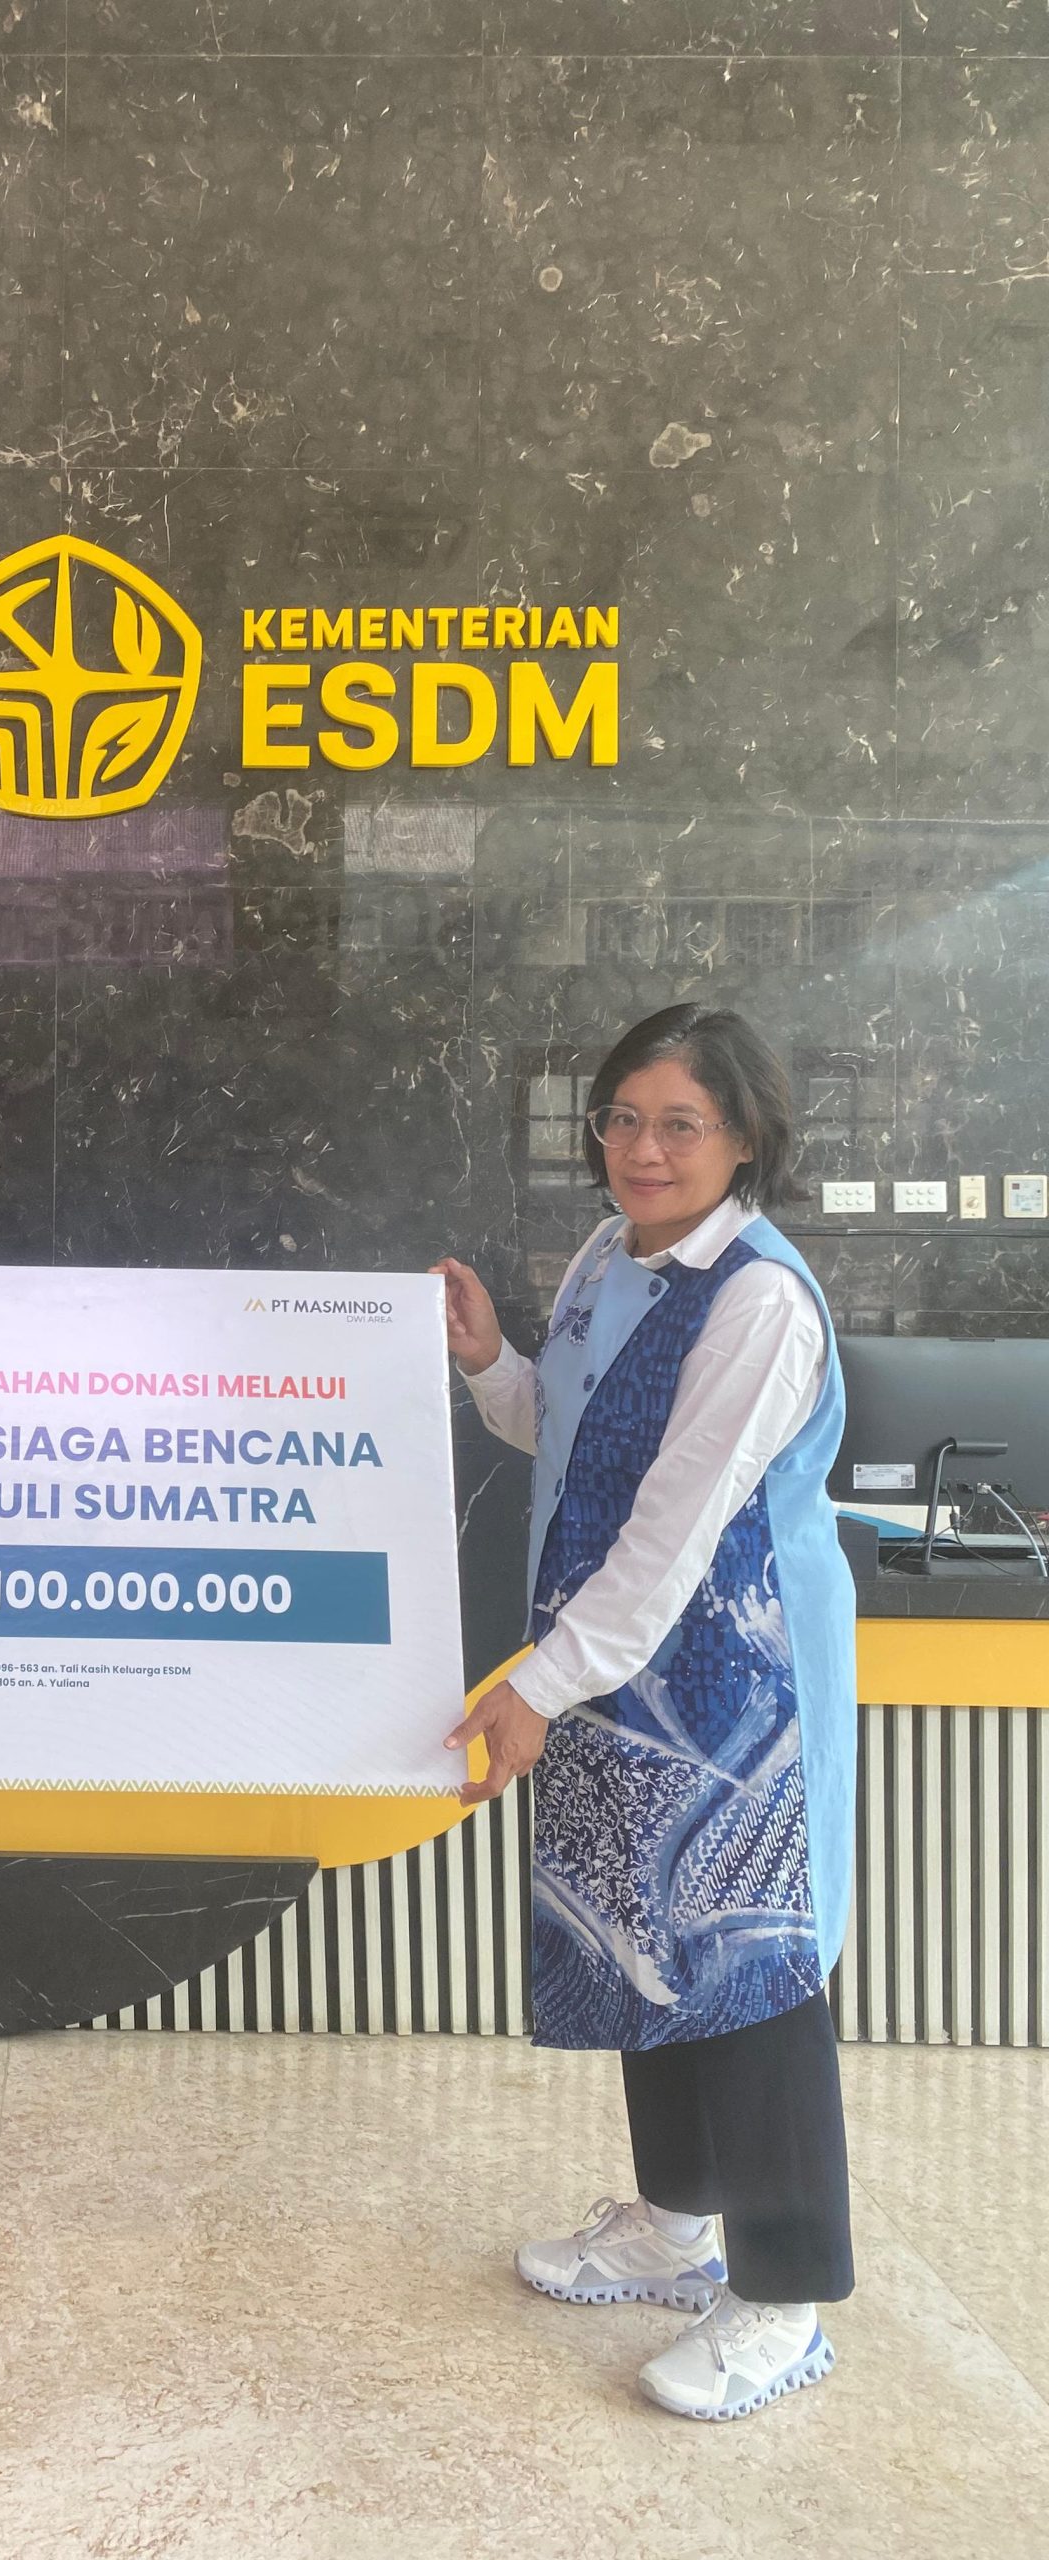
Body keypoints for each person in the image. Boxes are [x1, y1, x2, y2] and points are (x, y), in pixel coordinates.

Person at [433, 1004, 856, 2424]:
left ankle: (784, 2299)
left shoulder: (759, 1301)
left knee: (749, 1968)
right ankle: (676, 2226)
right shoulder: (609, 1258)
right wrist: (492, 1360)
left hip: (737, 1690)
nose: (644, 1148)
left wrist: (537, 1685)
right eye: (623, 1118)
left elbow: (675, 1527)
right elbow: (566, 1436)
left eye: (681, 1124)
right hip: (618, 1666)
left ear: (745, 1140)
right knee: (643, 1938)